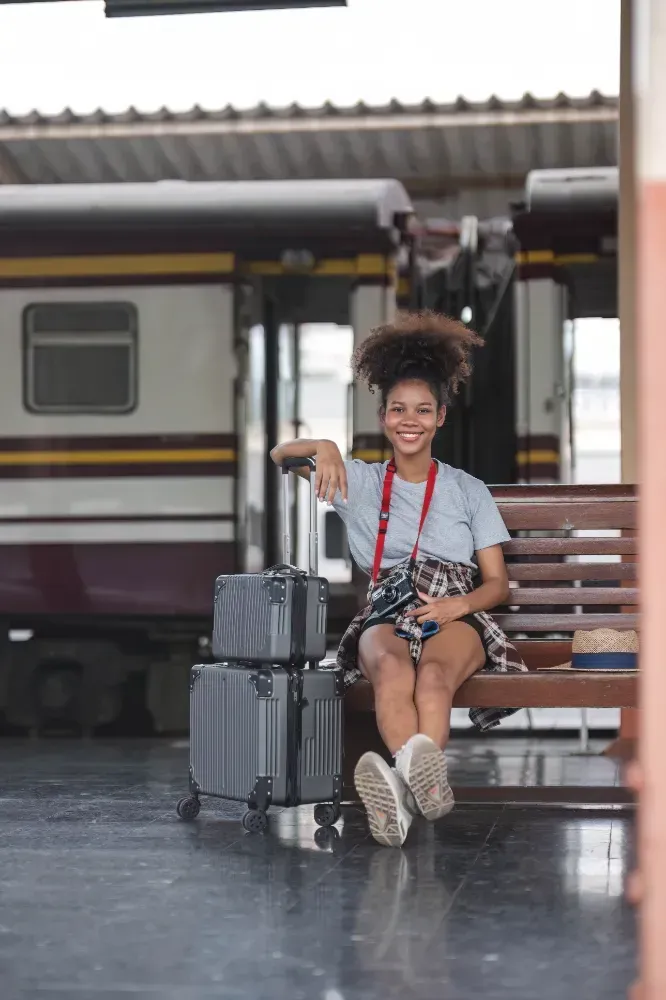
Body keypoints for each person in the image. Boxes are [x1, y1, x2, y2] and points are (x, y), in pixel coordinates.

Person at [271, 310, 526, 848]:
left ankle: (400, 798)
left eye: (423, 410)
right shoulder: (357, 481)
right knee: (389, 670)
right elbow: (279, 455)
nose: (410, 420)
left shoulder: (467, 490)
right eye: (398, 409)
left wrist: (453, 610)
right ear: (385, 418)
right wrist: (326, 448)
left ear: (439, 419)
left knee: (433, 678)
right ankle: (413, 796)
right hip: (388, 610)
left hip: (453, 607)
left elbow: (497, 584)